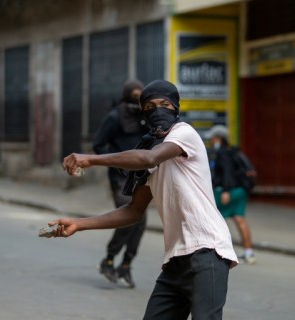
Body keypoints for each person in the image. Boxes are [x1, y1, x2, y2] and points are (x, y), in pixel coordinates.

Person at [48, 80, 238, 320]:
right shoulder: (150, 148)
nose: (157, 110)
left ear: (176, 107)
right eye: (149, 106)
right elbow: (133, 211)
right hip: (176, 260)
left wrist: (93, 159)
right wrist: (79, 224)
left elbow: (149, 159)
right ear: (143, 113)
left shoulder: (183, 134)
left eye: (165, 104)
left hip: (208, 251)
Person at [92, 79, 149, 288]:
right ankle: (108, 260)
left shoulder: (145, 116)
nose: (138, 101)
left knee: (141, 222)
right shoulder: (114, 117)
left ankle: (125, 265)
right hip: (121, 177)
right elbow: (98, 145)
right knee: (128, 217)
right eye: (134, 96)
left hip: (141, 176)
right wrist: (116, 164)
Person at [205, 124, 256, 264]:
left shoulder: (222, 153)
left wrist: (225, 191)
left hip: (227, 191)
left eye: (213, 138)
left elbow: (227, 172)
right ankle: (248, 252)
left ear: (219, 139)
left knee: (214, 221)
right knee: (240, 219)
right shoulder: (234, 151)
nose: (211, 140)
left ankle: (219, 252)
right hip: (240, 191)